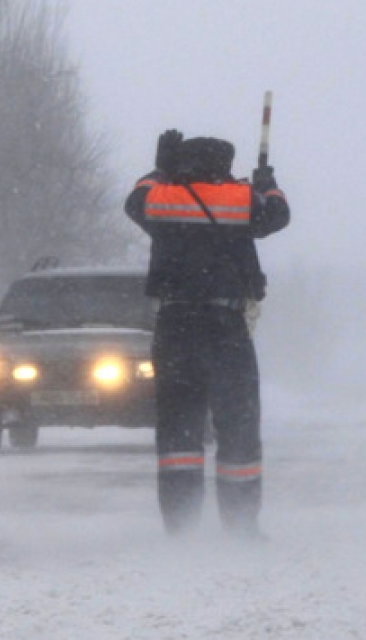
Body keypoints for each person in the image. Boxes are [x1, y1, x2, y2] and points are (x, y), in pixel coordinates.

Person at [124, 130, 290, 540]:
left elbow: (135, 202)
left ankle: (181, 527)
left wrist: (160, 168)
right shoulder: (240, 198)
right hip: (227, 326)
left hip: (176, 327)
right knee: (238, 425)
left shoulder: (163, 199)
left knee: (179, 428)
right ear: (225, 164)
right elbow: (277, 215)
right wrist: (267, 183)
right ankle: (241, 525)